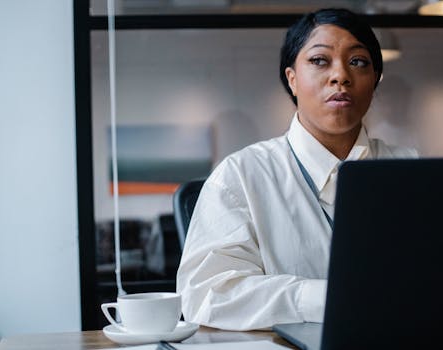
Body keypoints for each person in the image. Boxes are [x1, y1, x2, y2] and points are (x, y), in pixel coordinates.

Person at [176, 8, 417, 331]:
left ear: (374, 82)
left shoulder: (414, 171)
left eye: (358, 62)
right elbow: (205, 295)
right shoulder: (240, 176)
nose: (340, 75)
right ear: (292, 79)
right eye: (320, 61)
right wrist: (325, 297)